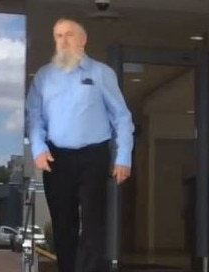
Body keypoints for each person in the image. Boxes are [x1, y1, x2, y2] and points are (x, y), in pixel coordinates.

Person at [25, 17, 134, 272]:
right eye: (58, 36)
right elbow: (34, 115)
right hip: (56, 158)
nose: (63, 41)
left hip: (93, 156)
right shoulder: (44, 76)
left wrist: (123, 157)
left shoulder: (101, 73)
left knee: (94, 224)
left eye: (69, 34)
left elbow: (122, 116)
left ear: (83, 40)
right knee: (64, 224)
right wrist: (38, 148)